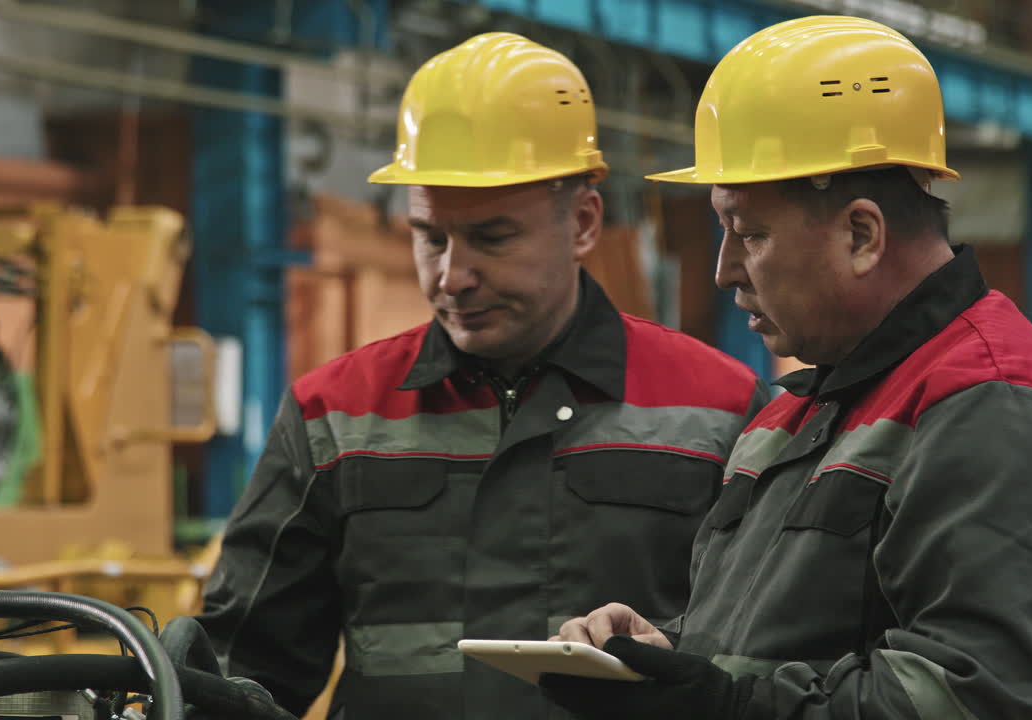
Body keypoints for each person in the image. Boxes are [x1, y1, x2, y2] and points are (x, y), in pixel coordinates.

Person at [543, 15, 1032, 720]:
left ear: (862, 234)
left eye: (750, 234)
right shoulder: (793, 419)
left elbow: (979, 698)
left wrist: (717, 707)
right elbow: (779, 653)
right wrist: (668, 655)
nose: (723, 271)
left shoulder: (994, 404)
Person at [197, 31, 768, 720]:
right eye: (430, 236)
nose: (451, 276)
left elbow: (758, 659)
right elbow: (240, 674)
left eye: (492, 238)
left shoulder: (720, 409)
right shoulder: (334, 415)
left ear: (584, 222)